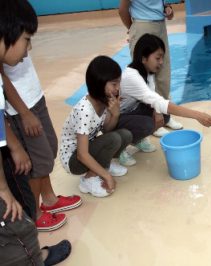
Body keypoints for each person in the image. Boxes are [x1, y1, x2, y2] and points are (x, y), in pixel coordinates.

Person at [0, 0, 71, 264]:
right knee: (19, 217)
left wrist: (15, 145)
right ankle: (33, 252)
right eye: (26, 39)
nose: (28, 50)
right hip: (20, 112)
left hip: (30, 104)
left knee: (44, 155)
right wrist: (3, 188)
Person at [1, 55, 82, 232]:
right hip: (19, 108)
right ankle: (35, 213)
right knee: (38, 162)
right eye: (26, 40)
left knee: (50, 149)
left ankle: (49, 198)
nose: (27, 49)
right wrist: (24, 113)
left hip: (34, 96)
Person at [117, 34, 211, 150]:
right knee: (148, 124)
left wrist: (157, 112)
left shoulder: (147, 72)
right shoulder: (132, 76)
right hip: (115, 118)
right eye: (157, 58)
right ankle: (120, 148)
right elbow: (158, 101)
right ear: (144, 58)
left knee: (164, 116)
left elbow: (153, 98)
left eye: (162, 58)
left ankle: (137, 139)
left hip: (131, 111)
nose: (161, 62)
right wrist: (198, 115)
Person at [60, 56, 133, 198]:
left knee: (124, 135)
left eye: (119, 82)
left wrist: (115, 114)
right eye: (114, 84)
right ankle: (88, 179)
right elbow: (82, 154)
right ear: (99, 84)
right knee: (113, 139)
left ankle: (104, 165)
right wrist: (107, 177)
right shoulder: (84, 110)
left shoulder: (104, 101)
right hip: (73, 160)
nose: (118, 88)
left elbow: (106, 130)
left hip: (86, 149)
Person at [118, 0, 183, 140]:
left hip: (160, 24)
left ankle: (165, 116)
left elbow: (163, 4)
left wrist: (168, 8)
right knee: (144, 75)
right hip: (142, 24)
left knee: (163, 72)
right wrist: (133, 29)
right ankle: (151, 120)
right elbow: (123, 9)